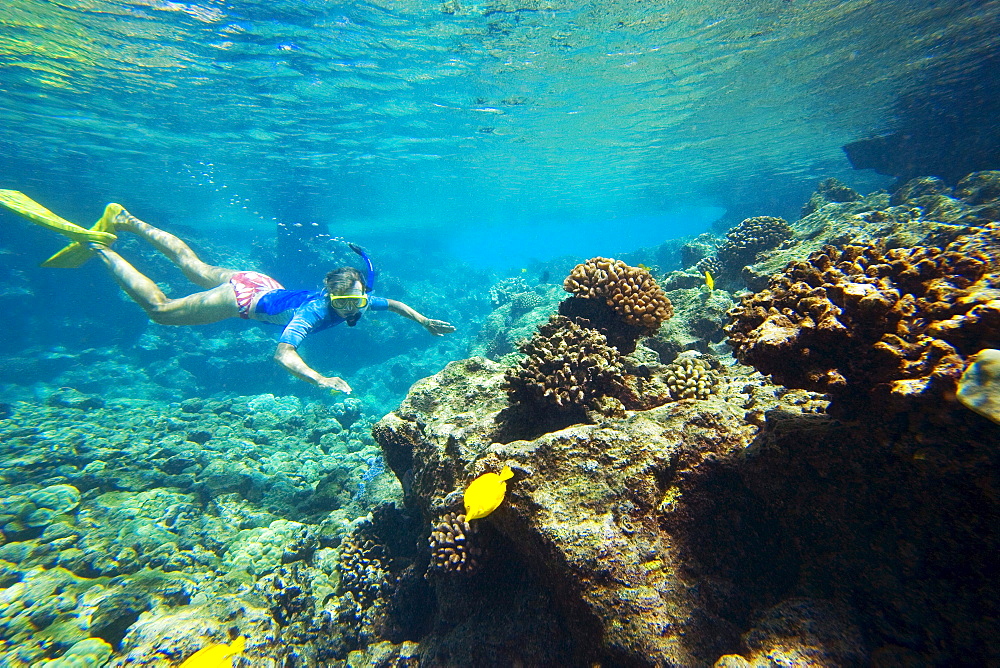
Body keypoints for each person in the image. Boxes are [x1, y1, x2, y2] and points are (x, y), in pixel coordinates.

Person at [0, 190, 455, 393]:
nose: (355, 307)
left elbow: (390, 302)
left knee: (194, 265)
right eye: (346, 302)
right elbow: (283, 355)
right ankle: (98, 245)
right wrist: (321, 379)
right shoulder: (316, 313)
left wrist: (422, 320)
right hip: (245, 298)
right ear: (328, 296)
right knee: (160, 310)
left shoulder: (357, 296)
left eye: (357, 299)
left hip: (263, 281)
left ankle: (125, 219)